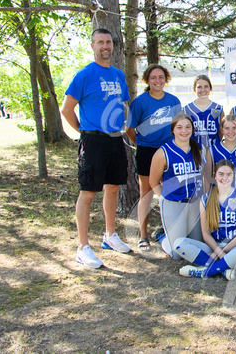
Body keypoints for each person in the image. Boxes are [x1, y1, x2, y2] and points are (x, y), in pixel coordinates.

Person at [61, 28, 131, 269]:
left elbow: (121, 104)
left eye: (108, 42)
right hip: (93, 140)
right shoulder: (84, 75)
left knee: (112, 188)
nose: (105, 46)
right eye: (100, 42)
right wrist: (83, 131)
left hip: (115, 139)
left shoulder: (119, 75)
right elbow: (66, 109)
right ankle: (82, 247)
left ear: (113, 46)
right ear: (92, 46)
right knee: (88, 192)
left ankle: (109, 236)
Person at [126, 64, 181, 251]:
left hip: (168, 151)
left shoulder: (173, 101)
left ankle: (167, 231)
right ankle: (143, 235)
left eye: (161, 77)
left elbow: (178, 128)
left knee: (169, 193)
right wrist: (141, 145)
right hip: (147, 152)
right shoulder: (140, 102)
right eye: (153, 78)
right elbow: (130, 130)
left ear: (166, 79)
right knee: (146, 194)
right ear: (147, 80)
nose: (157, 81)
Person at [177, 160, 236, 280]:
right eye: (221, 174)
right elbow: (206, 234)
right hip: (213, 246)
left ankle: (205, 271)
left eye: (229, 174)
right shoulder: (205, 199)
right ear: (215, 176)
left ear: (234, 176)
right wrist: (218, 252)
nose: (225, 178)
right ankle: (225, 269)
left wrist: (220, 252)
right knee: (178, 244)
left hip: (233, 247)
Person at [149, 113, 209, 259]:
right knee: (177, 254)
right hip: (174, 203)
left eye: (188, 127)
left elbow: (206, 177)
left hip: (195, 203)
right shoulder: (163, 152)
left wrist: (204, 198)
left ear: (192, 130)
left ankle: (173, 235)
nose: (184, 131)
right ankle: (162, 237)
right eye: (179, 127)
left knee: (197, 246)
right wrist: (164, 198)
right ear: (173, 130)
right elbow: (153, 181)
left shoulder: (200, 149)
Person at [209, 115, 236, 192]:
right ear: (222, 130)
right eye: (227, 128)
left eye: (234, 128)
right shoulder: (213, 150)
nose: (230, 132)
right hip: (220, 195)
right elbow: (209, 177)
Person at [183, 75, 224, 148]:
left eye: (206, 86)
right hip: (193, 151)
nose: (203, 90)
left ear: (210, 88)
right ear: (194, 89)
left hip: (213, 151)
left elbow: (221, 132)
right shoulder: (186, 109)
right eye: (199, 87)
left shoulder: (218, 108)